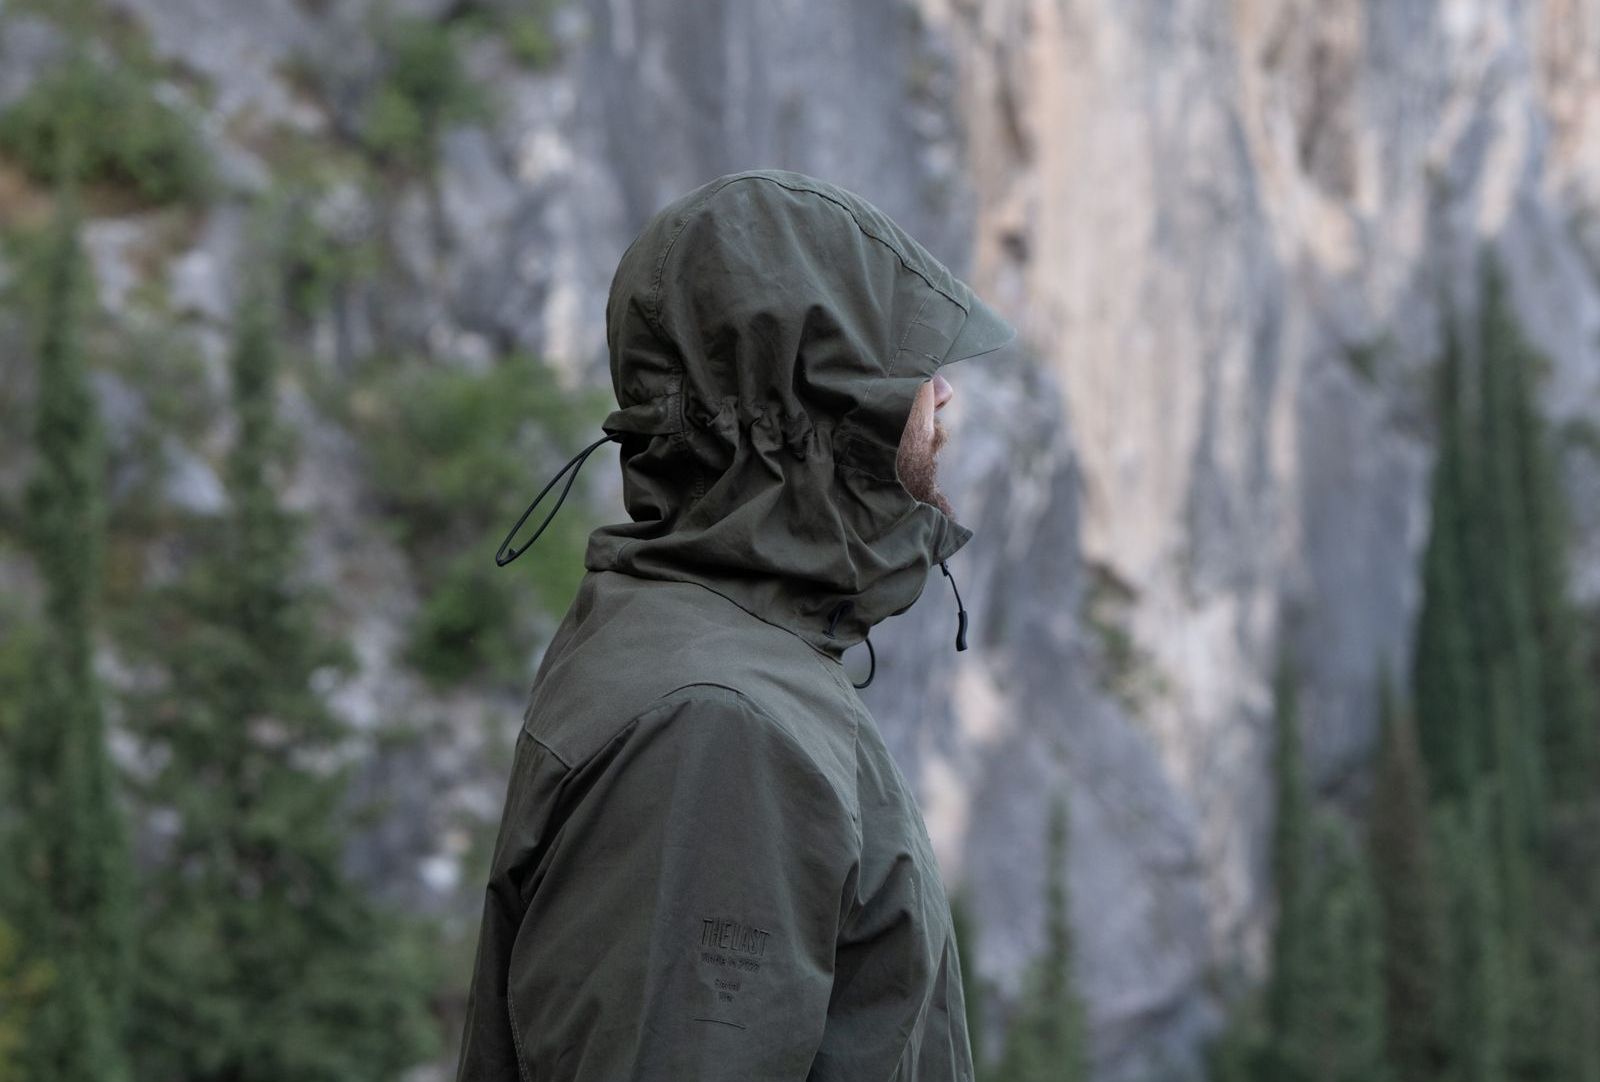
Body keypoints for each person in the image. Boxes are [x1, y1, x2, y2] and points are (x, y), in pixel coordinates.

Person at [456, 168, 1015, 1081]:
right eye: (908, 362)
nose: (947, 395)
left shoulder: (733, 665)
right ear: (804, 400)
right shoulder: (717, 727)